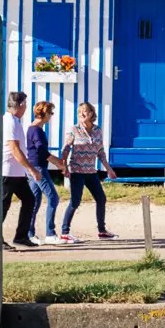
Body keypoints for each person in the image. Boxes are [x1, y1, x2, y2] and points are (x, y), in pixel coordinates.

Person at [55, 101, 118, 244]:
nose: (82, 114)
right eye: (79, 112)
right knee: (75, 201)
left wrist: (108, 169)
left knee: (101, 198)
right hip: (77, 171)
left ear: (91, 113)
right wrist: (63, 165)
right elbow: (66, 148)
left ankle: (102, 231)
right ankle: (65, 232)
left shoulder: (97, 130)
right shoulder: (74, 129)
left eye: (84, 111)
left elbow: (100, 152)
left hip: (91, 172)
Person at [0, 90, 37, 249]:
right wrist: (31, 169)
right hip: (7, 172)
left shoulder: (15, 121)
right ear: (20, 105)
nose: (26, 107)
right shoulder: (10, 122)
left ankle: (21, 236)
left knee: (29, 200)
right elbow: (15, 149)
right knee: (2, 206)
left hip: (17, 173)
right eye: (25, 104)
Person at [25, 99, 60, 245]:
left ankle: (29, 233)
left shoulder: (32, 128)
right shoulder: (37, 130)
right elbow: (41, 151)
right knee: (53, 197)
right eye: (50, 113)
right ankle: (50, 233)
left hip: (31, 167)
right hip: (38, 167)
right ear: (44, 113)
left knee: (35, 200)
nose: (51, 116)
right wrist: (58, 162)